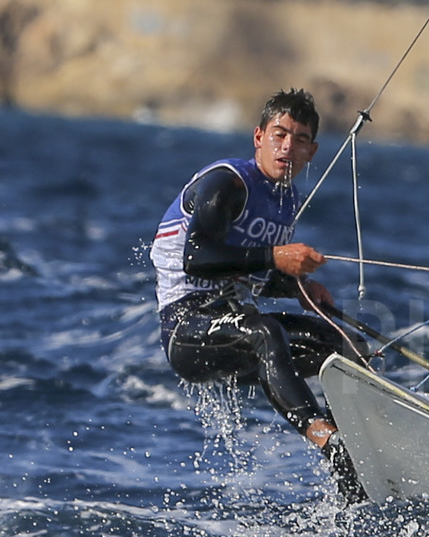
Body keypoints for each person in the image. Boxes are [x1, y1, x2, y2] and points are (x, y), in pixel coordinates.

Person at [150, 88, 368, 503]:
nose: (288, 146)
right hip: (186, 330)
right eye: (279, 134)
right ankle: (331, 445)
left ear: (312, 150)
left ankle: (360, 462)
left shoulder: (286, 200)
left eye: (300, 139)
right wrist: (275, 256)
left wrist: (298, 288)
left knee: (345, 346)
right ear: (258, 137)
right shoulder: (228, 184)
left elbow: (248, 272)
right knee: (266, 331)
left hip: (236, 323)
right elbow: (197, 259)